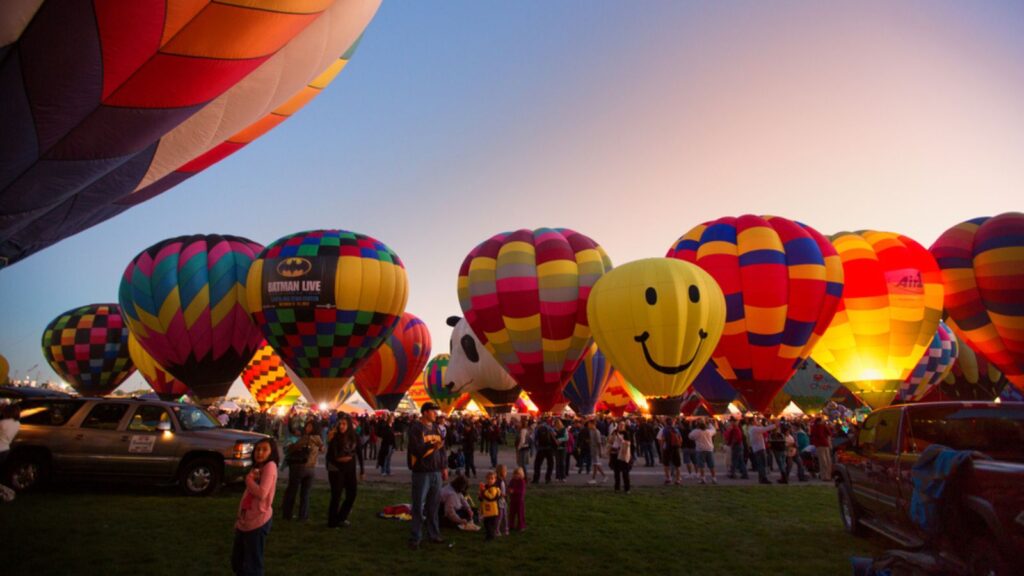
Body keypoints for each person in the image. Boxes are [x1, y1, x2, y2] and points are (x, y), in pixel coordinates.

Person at [232, 438, 278, 576]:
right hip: (245, 520)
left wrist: (249, 480)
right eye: (258, 449)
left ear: (272, 452)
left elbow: (262, 493)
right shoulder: (258, 467)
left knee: (253, 563)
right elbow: (249, 494)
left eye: (264, 449)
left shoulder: (270, 466)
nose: (260, 452)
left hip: (258, 520)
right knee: (237, 560)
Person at [408, 402, 448, 549]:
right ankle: (416, 537)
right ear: (425, 412)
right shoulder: (416, 429)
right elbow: (416, 450)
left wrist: (444, 466)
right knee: (418, 506)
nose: (435, 414)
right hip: (421, 472)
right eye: (433, 411)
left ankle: (434, 534)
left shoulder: (437, 428)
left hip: (436, 472)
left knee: (433, 505)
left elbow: (442, 449)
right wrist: (432, 446)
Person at [282, 420, 324, 521]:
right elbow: (322, 449)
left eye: (309, 426)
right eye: (307, 426)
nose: (307, 428)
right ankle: (303, 516)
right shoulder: (319, 439)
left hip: (300, 467)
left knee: (293, 490)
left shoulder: (306, 438)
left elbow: (294, 448)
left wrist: (290, 446)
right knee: (305, 493)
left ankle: (288, 514)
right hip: (311, 468)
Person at [326, 415, 362, 528]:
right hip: (336, 470)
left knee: (352, 494)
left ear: (349, 425)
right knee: (336, 496)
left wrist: (362, 470)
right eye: (340, 424)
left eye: (344, 424)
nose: (341, 426)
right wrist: (339, 459)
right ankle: (332, 522)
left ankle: (341, 517)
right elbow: (331, 455)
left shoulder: (354, 437)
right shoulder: (335, 438)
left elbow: (359, 453)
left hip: (350, 470)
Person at [747, 418, 777, 485]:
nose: (757, 422)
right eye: (756, 421)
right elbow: (765, 429)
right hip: (760, 448)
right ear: (752, 422)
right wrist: (775, 425)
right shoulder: (754, 429)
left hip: (757, 448)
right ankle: (763, 478)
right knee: (762, 464)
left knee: (761, 464)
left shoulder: (751, 429)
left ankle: (761, 478)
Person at [689, 418, 718, 484]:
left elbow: (690, 436)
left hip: (700, 450)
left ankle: (703, 478)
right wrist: (709, 423)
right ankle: (714, 478)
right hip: (709, 449)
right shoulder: (708, 432)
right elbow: (714, 430)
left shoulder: (696, 432)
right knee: (711, 465)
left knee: (701, 465)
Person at [608, 423, 632, 494]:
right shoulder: (614, 433)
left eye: (622, 426)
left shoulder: (626, 433)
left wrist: (622, 440)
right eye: (620, 425)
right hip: (615, 454)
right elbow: (610, 442)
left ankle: (627, 489)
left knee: (625, 472)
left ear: (624, 427)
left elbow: (628, 443)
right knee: (616, 472)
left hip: (623, 455)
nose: (621, 427)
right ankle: (617, 488)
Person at [658, 417, 683, 485]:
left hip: (667, 448)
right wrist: (679, 446)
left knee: (666, 464)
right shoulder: (676, 430)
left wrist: (661, 448)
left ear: (666, 422)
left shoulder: (664, 430)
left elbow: (662, 440)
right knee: (677, 465)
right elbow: (681, 439)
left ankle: (668, 478)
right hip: (676, 448)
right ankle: (678, 479)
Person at [479, 471, 502, 541]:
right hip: (487, 510)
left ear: (495, 480)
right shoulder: (487, 487)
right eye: (488, 478)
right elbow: (483, 497)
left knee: (490, 524)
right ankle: (489, 535)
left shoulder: (494, 488)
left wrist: (484, 491)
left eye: (492, 478)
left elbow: (491, 497)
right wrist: (480, 495)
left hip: (493, 511)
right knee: (486, 524)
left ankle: (491, 536)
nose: (490, 480)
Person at [532, 418, 556, 484]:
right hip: (549, 448)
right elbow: (554, 435)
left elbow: (534, 439)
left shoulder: (537, 428)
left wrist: (537, 448)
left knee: (537, 464)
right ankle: (548, 478)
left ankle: (536, 479)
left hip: (541, 449)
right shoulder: (549, 428)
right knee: (550, 464)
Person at [810, 417, 833, 481]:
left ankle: (824, 476)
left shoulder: (814, 427)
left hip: (820, 445)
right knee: (827, 461)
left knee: (823, 461)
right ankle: (828, 476)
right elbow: (830, 433)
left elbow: (812, 435)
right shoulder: (823, 426)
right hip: (825, 444)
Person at [586, 419, 607, 484]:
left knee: (596, 464)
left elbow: (599, 442)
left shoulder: (596, 431)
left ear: (593, 424)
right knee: (596, 465)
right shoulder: (591, 431)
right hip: (592, 449)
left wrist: (600, 452)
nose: (588, 425)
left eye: (589, 424)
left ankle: (594, 479)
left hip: (596, 450)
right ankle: (604, 476)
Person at [507, 466, 527, 531]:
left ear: (521, 475)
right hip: (513, 500)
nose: (516, 475)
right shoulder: (512, 480)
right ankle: (511, 525)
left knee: (520, 513)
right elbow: (509, 486)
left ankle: (521, 526)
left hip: (519, 501)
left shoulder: (522, 482)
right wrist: (509, 490)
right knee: (511, 513)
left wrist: (514, 491)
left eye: (517, 474)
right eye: (515, 474)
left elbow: (521, 491)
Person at [495, 464, 509, 536]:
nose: (506, 473)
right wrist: (501, 495)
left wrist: (508, 492)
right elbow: (495, 492)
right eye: (505, 471)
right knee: (500, 515)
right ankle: (497, 530)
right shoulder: (497, 481)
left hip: (504, 501)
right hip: (499, 501)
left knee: (505, 515)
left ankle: (505, 528)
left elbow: (505, 489)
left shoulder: (504, 480)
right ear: (501, 472)